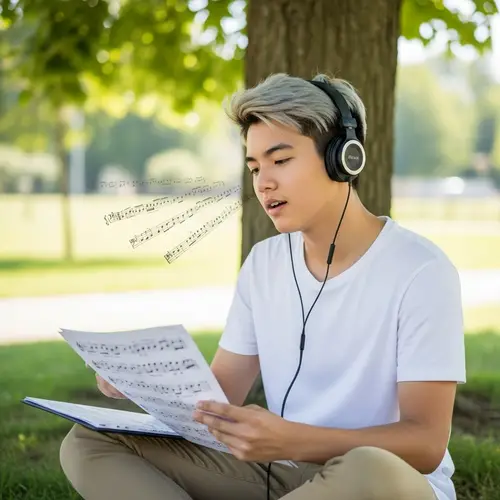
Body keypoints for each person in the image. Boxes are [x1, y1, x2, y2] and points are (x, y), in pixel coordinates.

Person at [59, 73, 466, 500]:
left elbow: (425, 443)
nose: (263, 182)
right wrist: (144, 384)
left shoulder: (421, 270)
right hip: (280, 473)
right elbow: (219, 399)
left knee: (370, 466)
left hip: (376, 481)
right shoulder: (264, 264)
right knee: (90, 441)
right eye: (255, 166)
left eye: (281, 160)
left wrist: (291, 439)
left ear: (342, 158)